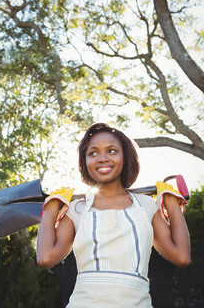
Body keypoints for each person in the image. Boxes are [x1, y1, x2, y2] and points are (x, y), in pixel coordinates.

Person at [37, 123, 191, 307]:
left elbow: (182, 257)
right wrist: (51, 207)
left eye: (111, 151)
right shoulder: (77, 208)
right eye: (92, 153)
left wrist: (172, 203)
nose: (102, 158)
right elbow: (46, 258)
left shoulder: (146, 205)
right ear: (84, 162)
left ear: (124, 157)